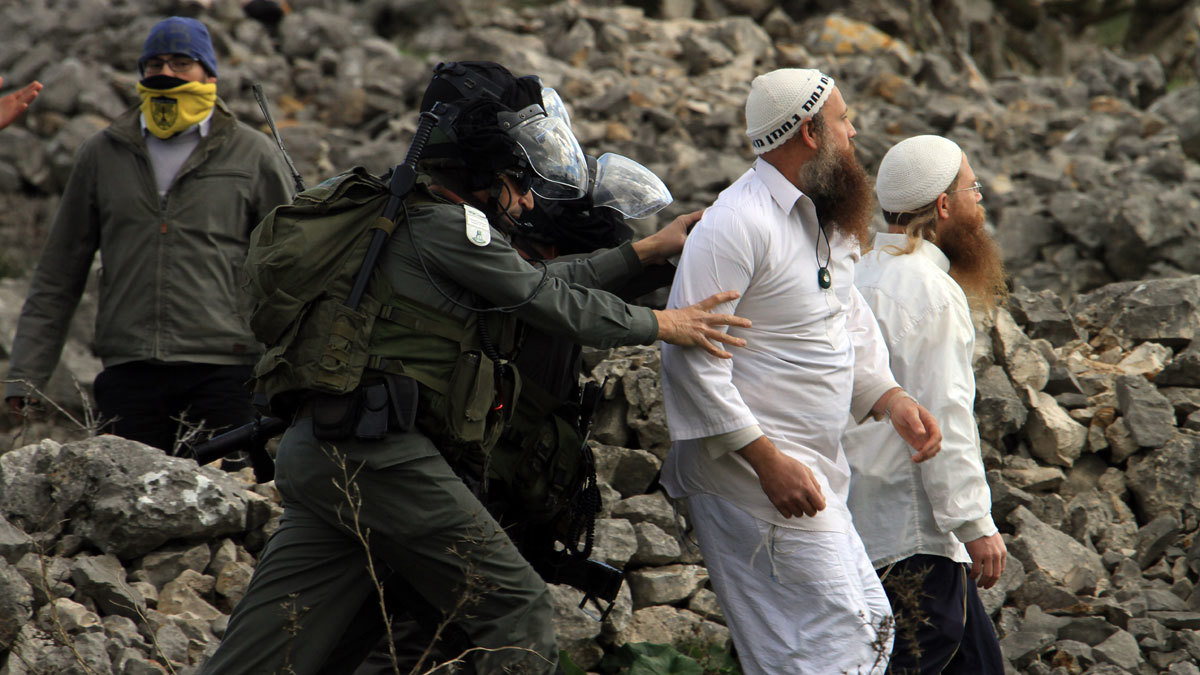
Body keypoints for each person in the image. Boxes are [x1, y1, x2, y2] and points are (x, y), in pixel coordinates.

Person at [201, 60, 749, 675]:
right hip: (378, 457)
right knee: (519, 611)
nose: (524, 195)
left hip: (319, 451)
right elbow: (548, 301)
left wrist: (642, 251)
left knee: (272, 653)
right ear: (484, 169)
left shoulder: (407, 211)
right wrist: (664, 325)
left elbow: (532, 282)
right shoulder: (447, 226)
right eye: (516, 176)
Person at [659, 68, 944, 675]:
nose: (854, 130)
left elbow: (847, 316)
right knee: (827, 649)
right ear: (811, 133)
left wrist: (889, 395)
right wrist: (765, 460)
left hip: (811, 471)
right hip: (751, 476)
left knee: (868, 630)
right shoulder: (735, 223)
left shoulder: (822, 217)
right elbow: (689, 355)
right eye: (843, 120)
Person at [3, 17, 294, 455]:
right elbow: (58, 275)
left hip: (226, 372)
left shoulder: (253, 154)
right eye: (155, 62)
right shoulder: (102, 153)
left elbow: (290, 268)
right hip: (129, 373)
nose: (166, 73)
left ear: (208, 74)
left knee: (231, 508)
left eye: (182, 62)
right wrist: (26, 377)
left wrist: (292, 375)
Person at [843, 135, 1008, 674]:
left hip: (859, 522)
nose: (979, 203)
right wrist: (975, 523)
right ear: (942, 205)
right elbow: (946, 416)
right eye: (972, 190)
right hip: (912, 533)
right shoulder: (930, 290)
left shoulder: (857, 272)